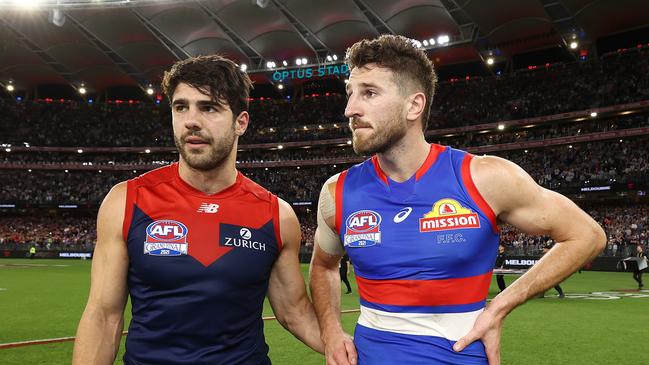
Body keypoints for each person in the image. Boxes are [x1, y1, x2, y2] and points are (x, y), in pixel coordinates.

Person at [309, 34, 606, 365]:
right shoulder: (338, 192)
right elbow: (323, 266)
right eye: (350, 93)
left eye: (369, 93)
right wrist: (331, 330)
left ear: (414, 105)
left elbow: (586, 235)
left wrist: (501, 306)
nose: (350, 109)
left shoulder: (484, 178)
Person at [72, 55, 323, 365]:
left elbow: (294, 311)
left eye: (208, 107)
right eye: (181, 107)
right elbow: (103, 316)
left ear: (240, 122)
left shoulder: (277, 215)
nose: (191, 120)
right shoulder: (126, 201)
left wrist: (354, 348)